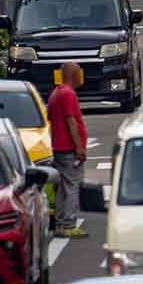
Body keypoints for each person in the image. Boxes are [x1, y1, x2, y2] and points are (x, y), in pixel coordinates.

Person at [47, 62, 89, 239]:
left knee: (63, 187)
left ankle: (60, 223)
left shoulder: (56, 93)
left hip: (58, 146)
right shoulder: (68, 94)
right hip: (68, 148)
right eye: (79, 73)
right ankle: (69, 224)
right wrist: (79, 146)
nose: (81, 76)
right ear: (74, 75)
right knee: (72, 186)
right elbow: (71, 121)